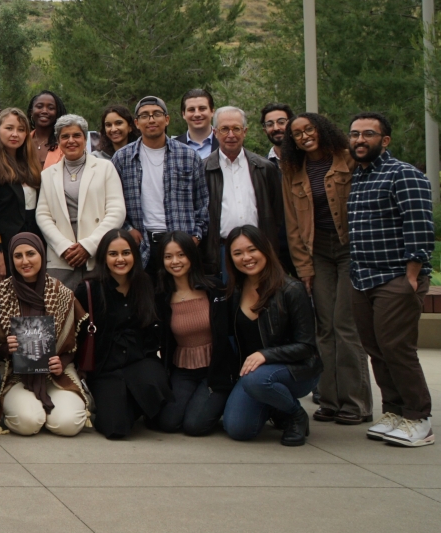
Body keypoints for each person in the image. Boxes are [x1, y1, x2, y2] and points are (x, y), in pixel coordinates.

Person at [347, 112, 434, 447]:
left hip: (396, 277)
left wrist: (411, 276)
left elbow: (420, 228)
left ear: (384, 140)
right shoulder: (359, 177)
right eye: (354, 134)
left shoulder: (404, 175)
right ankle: (395, 411)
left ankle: (419, 417)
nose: (359, 140)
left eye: (368, 134)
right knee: (376, 350)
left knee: (397, 349)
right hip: (362, 278)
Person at [279, 112, 371, 426]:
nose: (304, 136)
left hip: (350, 251)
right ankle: (330, 400)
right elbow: (293, 225)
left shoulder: (348, 158)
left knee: (346, 326)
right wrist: (304, 269)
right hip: (317, 254)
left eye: (309, 129)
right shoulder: (292, 170)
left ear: (322, 129)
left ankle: (356, 403)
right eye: (297, 133)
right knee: (324, 328)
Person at [215, 226, 321, 446]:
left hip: (296, 371)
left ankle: (294, 414)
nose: (246, 258)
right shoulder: (234, 291)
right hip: (254, 375)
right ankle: (274, 406)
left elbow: (307, 346)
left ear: (265, 250)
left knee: (258, 379)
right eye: (237, 253)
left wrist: (266, 355)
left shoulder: (291, 289)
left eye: (252, 250)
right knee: (237, 428)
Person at [0, 233, 88, 437]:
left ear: (42, 255)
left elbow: (75, 342)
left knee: (68, 424)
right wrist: (8, 347)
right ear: (11, 259)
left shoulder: (62, 293)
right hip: (16, 374)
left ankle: (50, 407)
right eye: (18, 256)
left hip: (56, 375)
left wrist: (62, 361)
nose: (25, 261)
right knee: (28, 422)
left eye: (31, 254)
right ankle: (29, 408)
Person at [74, 230, 171, 440]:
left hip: (140, 362)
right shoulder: (89, 289)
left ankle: (133, 399)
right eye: (113, 254)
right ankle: (121, 404)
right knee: (116, 428)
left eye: (126, 253)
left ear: (135, 255)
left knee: (154, 386)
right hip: (106, 368)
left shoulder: (147, 285)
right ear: (103, 257)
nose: (120, 259)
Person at [111, 95, 209, 272]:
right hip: (141, 244)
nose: (151, 119)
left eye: (156, 114)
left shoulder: (188, 156)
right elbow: (112, 202)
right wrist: (127, 229)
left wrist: (196, 235)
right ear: (136, 123)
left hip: (180, 245)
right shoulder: (122, 158)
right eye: (144, 115)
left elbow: (202, 202)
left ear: (167, 119)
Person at [36, 114, 126, 291]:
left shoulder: (105, 168)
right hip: (62, 257)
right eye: (65, 136)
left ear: (85, 138)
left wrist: (89, 245)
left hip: (98, 252)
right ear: (58, 140)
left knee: (100, 310)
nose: (71, 141)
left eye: (76, 135)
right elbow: (42, 214)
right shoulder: (47, 174)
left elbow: (117, 211)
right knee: (62, 313)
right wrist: (64, 247)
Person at [202, 107, 291, 278]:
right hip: (221, 251)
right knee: (228, 301)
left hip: (259, 249)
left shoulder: (265, 167)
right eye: (224, 129)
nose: (231, 134)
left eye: (236, 128)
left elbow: (276, 213)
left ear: (245, 131)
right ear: (214, 132)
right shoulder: (203, 168)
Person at [153, 232, 227, 436]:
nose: (175, 261)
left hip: (215, 369)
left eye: (181, 255)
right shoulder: (162, 297)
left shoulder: (214, 288)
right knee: (168, 423)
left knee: (194, 426)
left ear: (192, 256)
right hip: (184, 370)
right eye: (168, 257)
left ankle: (223, 400)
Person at [0, 108, 42, 282]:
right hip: (4, 250)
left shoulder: (31, 165)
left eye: (21, 130)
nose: (15, 134)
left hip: (32, 247)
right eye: (9, 128)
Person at [27, 90, 67, 169]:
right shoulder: (22, 142)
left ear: (57, 113)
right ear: (31, 112)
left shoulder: (66, 142)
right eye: (39, 106)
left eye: (51, 108)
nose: (44, 111)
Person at [176, 89, 218, 159]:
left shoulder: (225, 143)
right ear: (183, 114)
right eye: (191, 110)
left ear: (212, 112)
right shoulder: (172, 147)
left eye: (202, 108)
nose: (197, 114)